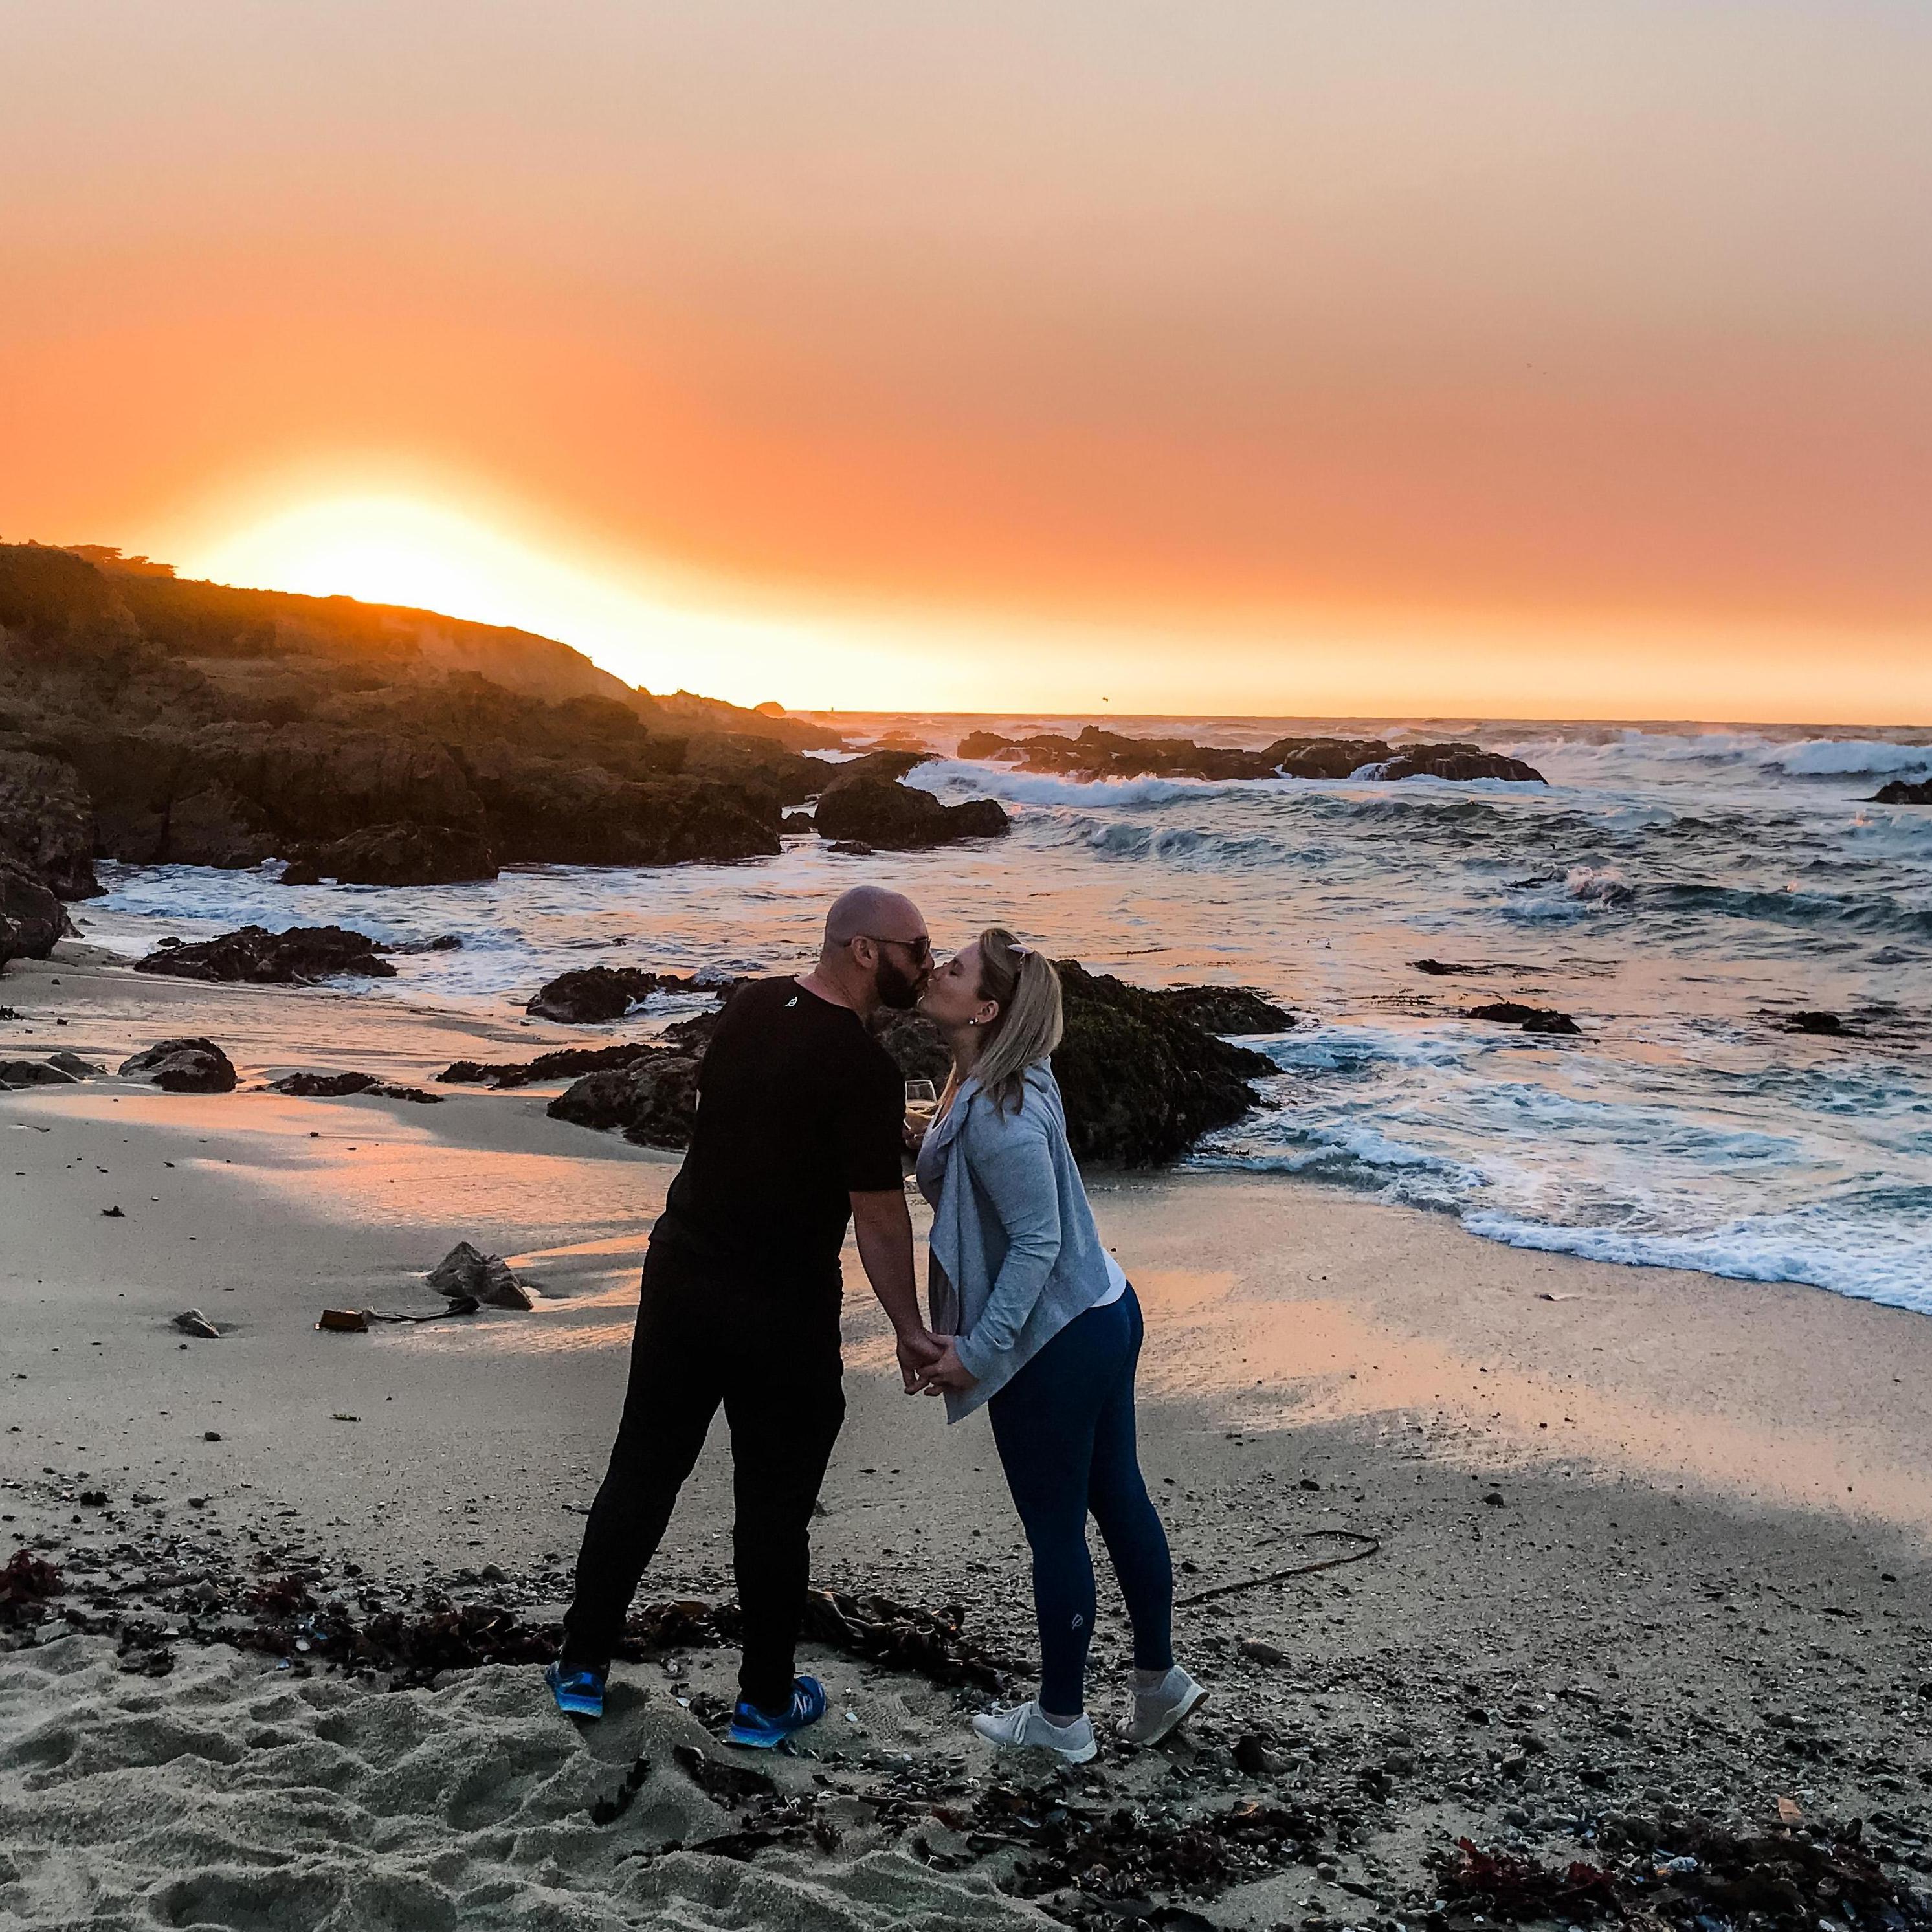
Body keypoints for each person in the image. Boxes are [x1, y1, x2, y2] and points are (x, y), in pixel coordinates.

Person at [547, 885, 945, 1746]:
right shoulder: (863, 1071)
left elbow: (747, 1116)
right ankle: (764, 1700)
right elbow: (878, 1216)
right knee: (771, 1507)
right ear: (865, 950)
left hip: (685, 1272)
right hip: (781, 1305)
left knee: (644, 1469)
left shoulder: (753, 1004)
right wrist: (912, 1330)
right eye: (917, 945)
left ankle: (581, 1664)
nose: (928, 959)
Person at [911, 927, 1205, 1764]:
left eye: (956, 968)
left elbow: (1033, 1243)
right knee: (1117, 1496)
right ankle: (1159, 1684)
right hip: (1104, 1303)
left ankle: (1062, 1721)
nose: (938, 970)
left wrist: (978, 1349)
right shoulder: (1002, 1076)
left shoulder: (1000, 1111)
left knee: (1055, 1527)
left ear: (987, 1007)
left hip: (1058, 1336)